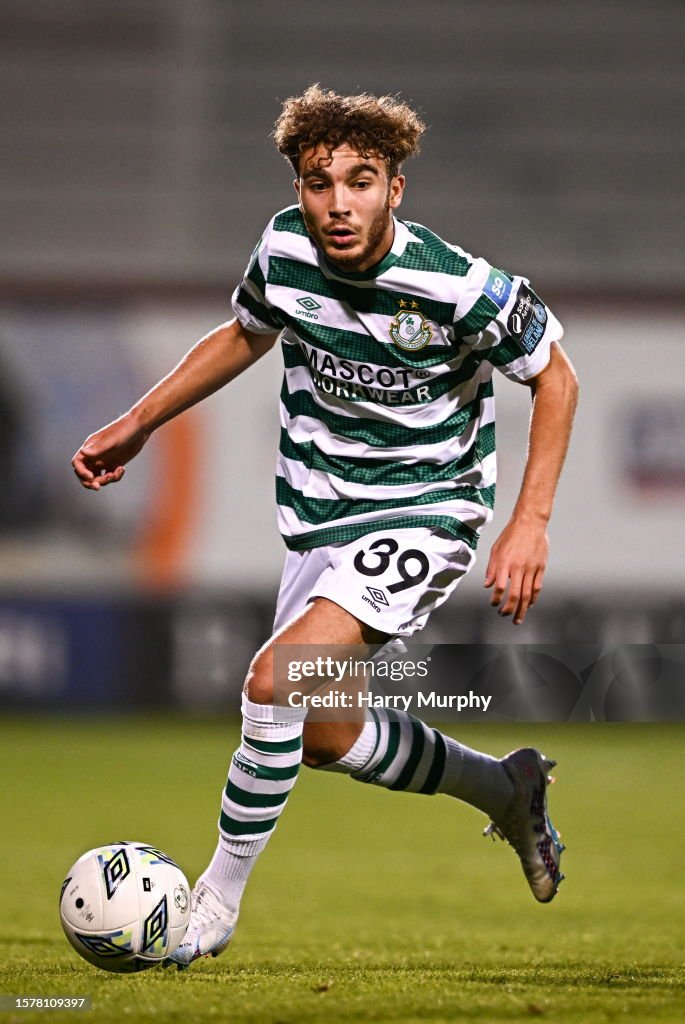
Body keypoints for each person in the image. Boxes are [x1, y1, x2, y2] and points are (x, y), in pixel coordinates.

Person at [72, 85, 578, 969]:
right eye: (317, 182)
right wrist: (140, 421)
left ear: (395, 190)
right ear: (298, 187)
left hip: (426, 507)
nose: (337, 204)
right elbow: (244, 333)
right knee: (323, 736)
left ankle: (213, 907)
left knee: (275, 683)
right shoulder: (281, 249)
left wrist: (527, 521)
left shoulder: (456, 285)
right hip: (319, 520)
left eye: (360, 180)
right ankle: (505, 788)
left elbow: (555, 376)